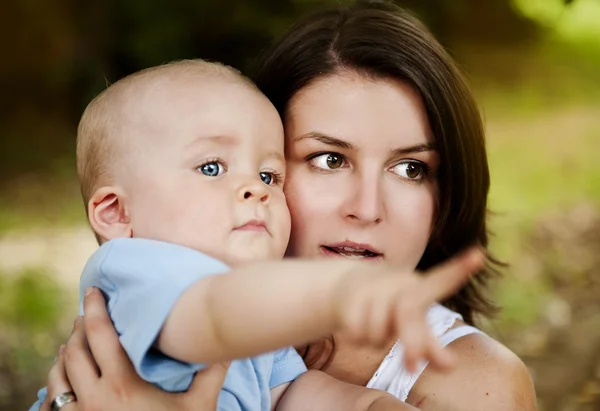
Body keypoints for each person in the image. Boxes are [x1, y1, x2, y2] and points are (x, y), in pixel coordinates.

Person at [39, 1, 538, 410]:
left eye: (411, 169)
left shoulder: (479, 387)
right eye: (328, 159)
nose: (367, 209)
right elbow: (216, 316)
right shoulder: (152, 273)